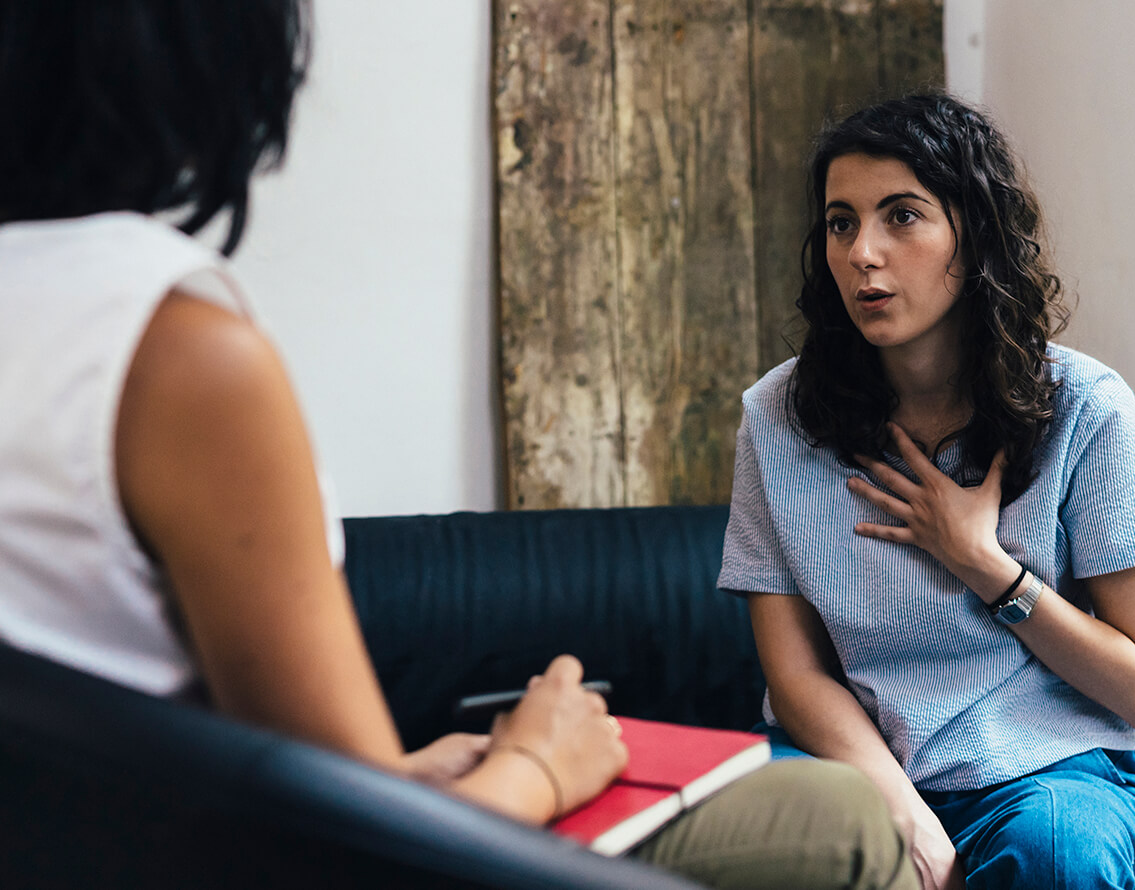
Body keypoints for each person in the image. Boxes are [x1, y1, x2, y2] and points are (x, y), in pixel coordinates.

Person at [0, 3, 920, 888]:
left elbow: (244, 760)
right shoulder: (174, 354)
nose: (863, 255)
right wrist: (538, 766)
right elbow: (350, 847)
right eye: (841, 223)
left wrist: (401, 775)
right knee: (835, 819)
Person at [719, 90, 1135, 890]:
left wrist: (983, 565)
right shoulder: (777, 415)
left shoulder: (1088, 407)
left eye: (900, 217)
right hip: (846, 765)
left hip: (1048, 771)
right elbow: (795, 676)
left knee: (1057, 854)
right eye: (841, 222)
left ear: (974, 237)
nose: (863, 253)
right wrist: (898, 809)